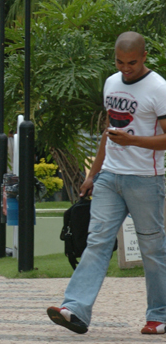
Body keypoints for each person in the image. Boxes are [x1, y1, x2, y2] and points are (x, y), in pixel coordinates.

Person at [47, 31, 166, 336]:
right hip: (109, 177)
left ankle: (158, 315)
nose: (126, 68)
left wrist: (134, 140)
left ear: (144, 57)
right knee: (97, 242)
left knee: (152, 250)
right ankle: (74, 308)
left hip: (146, 181)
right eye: (120, 61)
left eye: (132, 63)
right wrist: (92, 174)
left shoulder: (159, 88)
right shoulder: (112, 82)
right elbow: (108, 131)